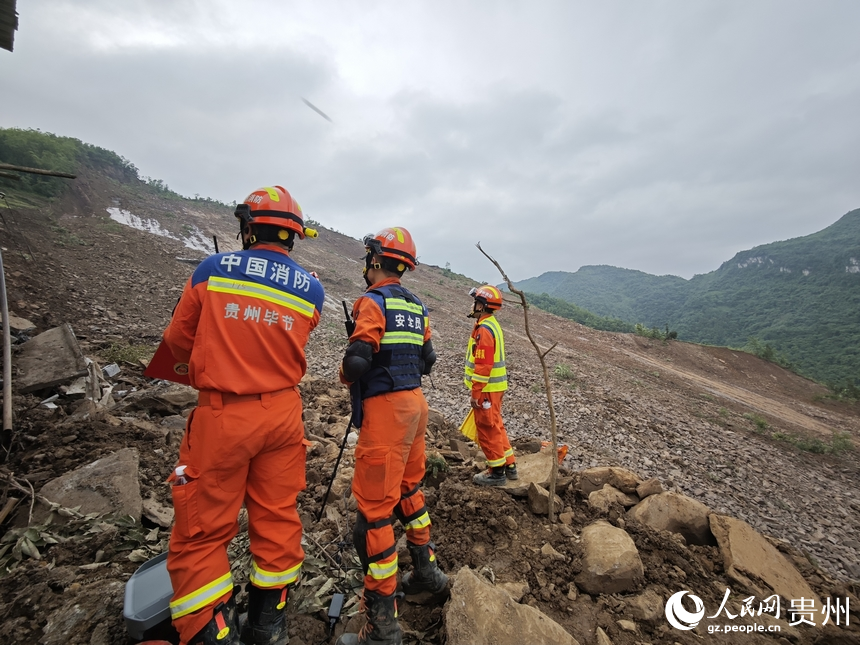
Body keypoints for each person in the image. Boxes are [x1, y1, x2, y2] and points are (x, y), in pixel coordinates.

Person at [162, 186, 324, 645]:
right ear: (294, 235)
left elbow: (177, 340)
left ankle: (211, 634)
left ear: (248, 227)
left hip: (224, 415)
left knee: (201, 533)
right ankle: (268, 627)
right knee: (276, 516)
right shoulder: (312, 288)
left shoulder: (212, 270)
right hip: (283, 415)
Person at [337, 227, 447, 645]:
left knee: (375, 513)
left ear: (377, 261)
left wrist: (346, 376)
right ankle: (427, 572)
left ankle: (383, 626)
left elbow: (359, 358)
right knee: (409, 489)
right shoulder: (417, 306)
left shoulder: (372, 301)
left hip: (386, 412)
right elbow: (429, 359)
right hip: (416, 406)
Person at [464, 285, 517, 486]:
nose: (472, 305)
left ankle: (497, 471)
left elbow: (484, 365)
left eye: (475, 301)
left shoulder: (485, 330)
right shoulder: (490, 324)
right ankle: (510, 465)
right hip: (495, 388)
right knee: (496, 424)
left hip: (486, 390)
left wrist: (475, 392)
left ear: (482, 305)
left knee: (487, 428)